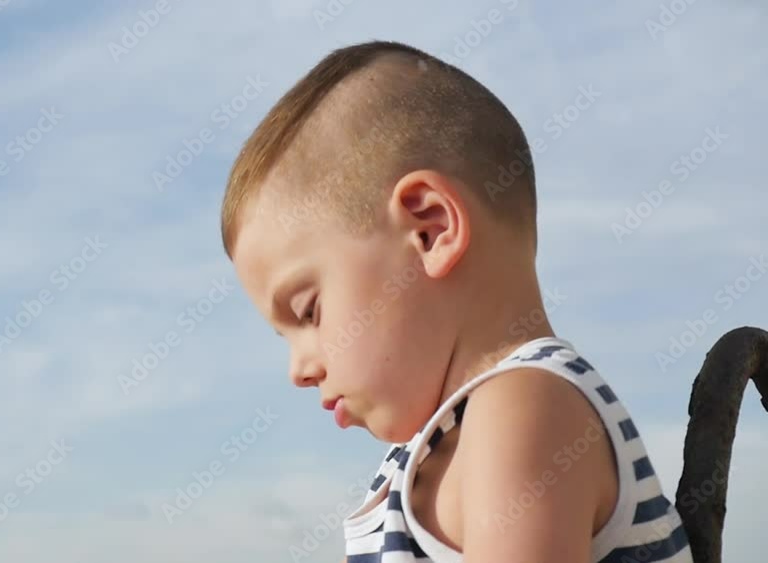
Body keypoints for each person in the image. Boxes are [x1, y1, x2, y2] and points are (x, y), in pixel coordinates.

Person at [219, 40, 693, 562]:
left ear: (431, 230)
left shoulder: (522, 410)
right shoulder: (429, 447)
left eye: (308, 311)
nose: (299, 370)